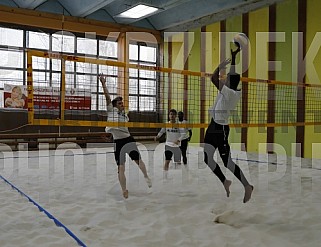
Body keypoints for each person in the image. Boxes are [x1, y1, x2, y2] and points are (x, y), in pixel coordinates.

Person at [203, 47, 253, 203]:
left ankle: (247, 186)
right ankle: (225, 181)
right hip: (212, 126)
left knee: (227, 162)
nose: (223, 79)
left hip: (221, 130)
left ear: (229, 83)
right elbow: (232, 77)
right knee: (207, 158)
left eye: (226, 79)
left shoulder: (229, 92)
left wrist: (220, 66)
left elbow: (213, 78)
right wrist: (233, 56)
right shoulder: (231, 89)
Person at [99, 73, 152, 199]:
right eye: (120, 103)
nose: (122, 105)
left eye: (123, 103)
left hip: (129, 140)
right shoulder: (111, 110)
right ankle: (124, 190)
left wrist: (110, 135)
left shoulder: (125, 115)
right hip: (118, 143)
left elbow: (119, 129)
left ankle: (146, 176)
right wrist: (103, 84)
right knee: (121, 168)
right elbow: (107, 97)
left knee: (139, 161)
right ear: (115, 105)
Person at [155, 109, 185, 179]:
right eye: (171, 114)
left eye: (173, 114)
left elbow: (183, 134)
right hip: (168, 145)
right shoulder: (166, 124)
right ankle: (165, 177)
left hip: (177, 146)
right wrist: (157, 136)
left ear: (176, 116)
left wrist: (178, 140)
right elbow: (161, 132)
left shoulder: (179, 125)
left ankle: (180, 176)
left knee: (178, 162)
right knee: (167, 161)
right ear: (169, 116)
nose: (172, 116)